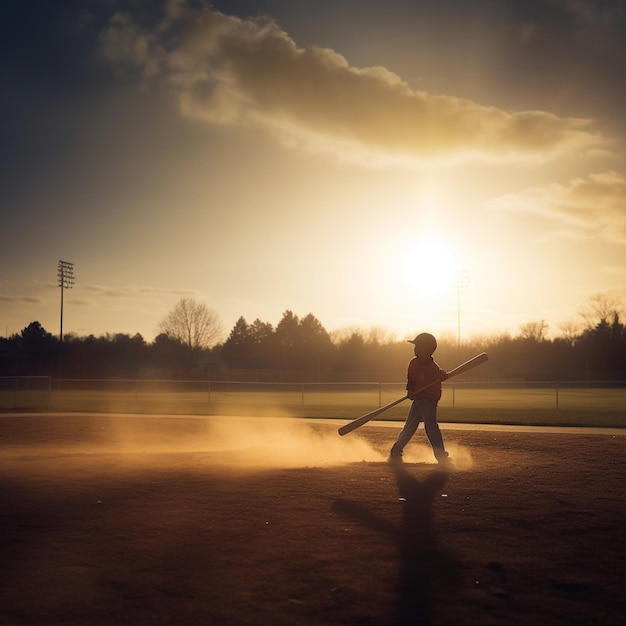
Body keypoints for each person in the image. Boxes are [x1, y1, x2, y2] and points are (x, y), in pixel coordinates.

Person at [389, 332, 452, 466]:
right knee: (411, 427)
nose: (415, 349)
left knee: (430, 428)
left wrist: (442, 375)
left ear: (427, 350)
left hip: (429, 400)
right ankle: (396, 450)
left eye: (418, 346)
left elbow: (439, 374)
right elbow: (411, 380)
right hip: (418, 399)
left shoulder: (433, 367)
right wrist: (410, 391)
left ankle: (441, 456)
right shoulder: (413, 363)